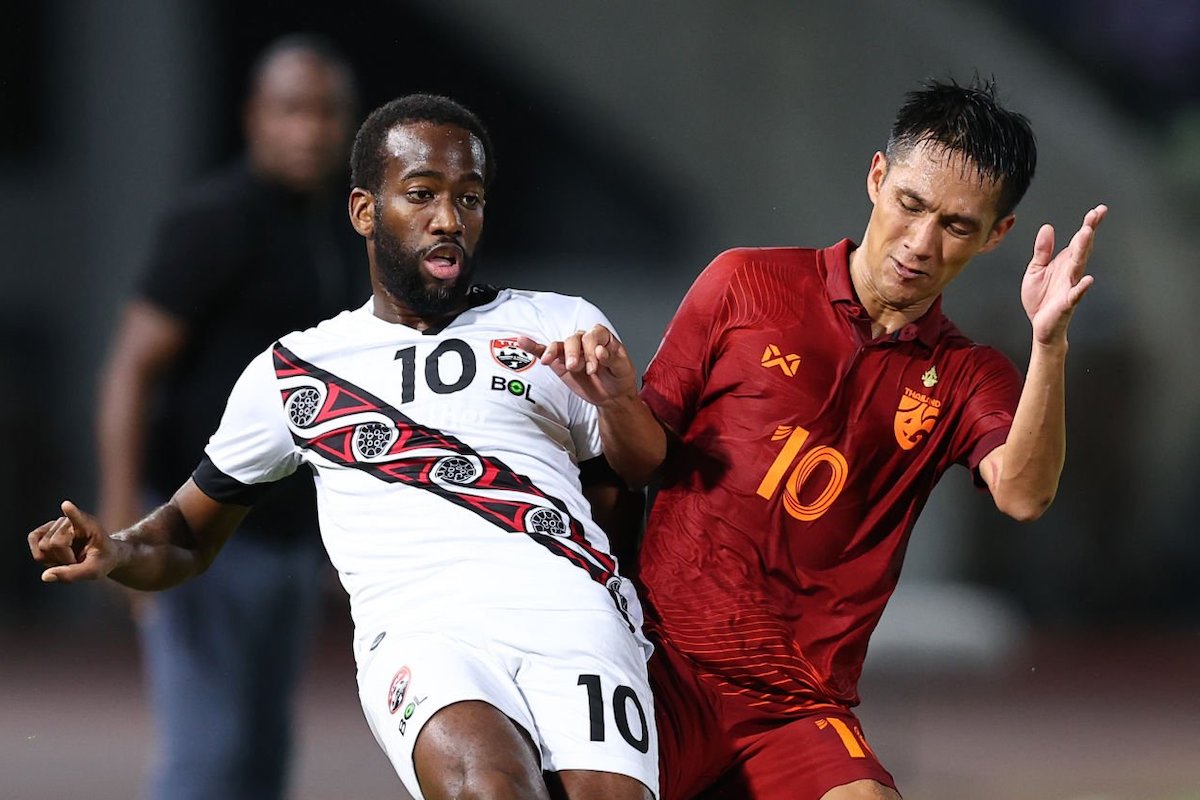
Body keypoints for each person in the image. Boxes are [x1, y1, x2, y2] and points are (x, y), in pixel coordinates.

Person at [32, 93, 658, 800]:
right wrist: (116, 550)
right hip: (427, 635)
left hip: (573, 617)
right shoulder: (299, 371)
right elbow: (185, 535)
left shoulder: (560, 324)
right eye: (421, 195)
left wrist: (620, 400)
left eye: (469, 198)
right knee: (489, 788)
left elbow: (638, 470)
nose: (448, 219)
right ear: (365, 211)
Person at [528, 78, 1107, 800]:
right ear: (876, 178)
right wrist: (616, 401)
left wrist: (1048, 344)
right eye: (911, 204)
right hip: (659, 664)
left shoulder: (967, 374)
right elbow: (643, 460)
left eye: (957, 226)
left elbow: (1024, 494)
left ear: (997, 236)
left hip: (796, 707)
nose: (922, 244)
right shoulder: (743, 283)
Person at [93, 34, 364, 800]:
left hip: (284, 538)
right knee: (207, 757)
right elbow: (129, 368)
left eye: (324, 111)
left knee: (260, 754)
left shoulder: (339, 232)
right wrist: (121, 519)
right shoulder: (214, 219)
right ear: (254, 117)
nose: (308, 128)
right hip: (197, 524)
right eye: (290, 109)